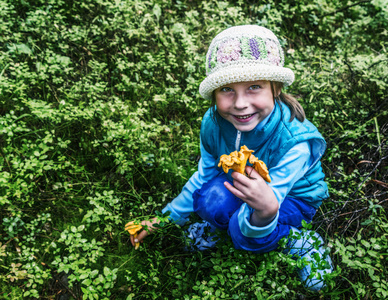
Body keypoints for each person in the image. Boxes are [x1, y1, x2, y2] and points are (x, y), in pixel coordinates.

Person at [126, 25, 333, 291]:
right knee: (208, 199)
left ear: (276, 88)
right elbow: (205, 176)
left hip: (292, 197)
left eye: (254, 87)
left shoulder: (295, 143)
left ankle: (299, 241)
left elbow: (272, 199)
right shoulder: (212, 123)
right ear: (214, 94)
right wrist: (164, 219)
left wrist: (266, 210)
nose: (239, 103)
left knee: (245, 233)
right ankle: (225, 227)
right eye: (227, 89)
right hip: (241, 183)